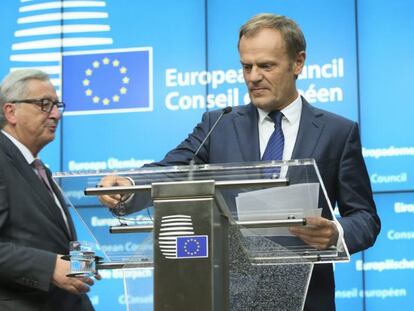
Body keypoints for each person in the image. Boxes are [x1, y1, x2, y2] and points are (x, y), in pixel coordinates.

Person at [99, 14, 380, 310]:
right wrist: (130, 185)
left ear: (298, 63)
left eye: (265, 66)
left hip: (308, 298)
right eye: (246, 66)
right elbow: (173, 170)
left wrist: (336, 233)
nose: (253, 77)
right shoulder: (218, 124)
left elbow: (365, 217)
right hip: (229, 297)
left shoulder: (338, 132)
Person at [0, 69, 98, 310]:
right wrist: (50, 267)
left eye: (57, 105)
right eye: (44, 104)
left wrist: (78, 264)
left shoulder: (37, 167)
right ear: (10, 111)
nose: (56, 114)